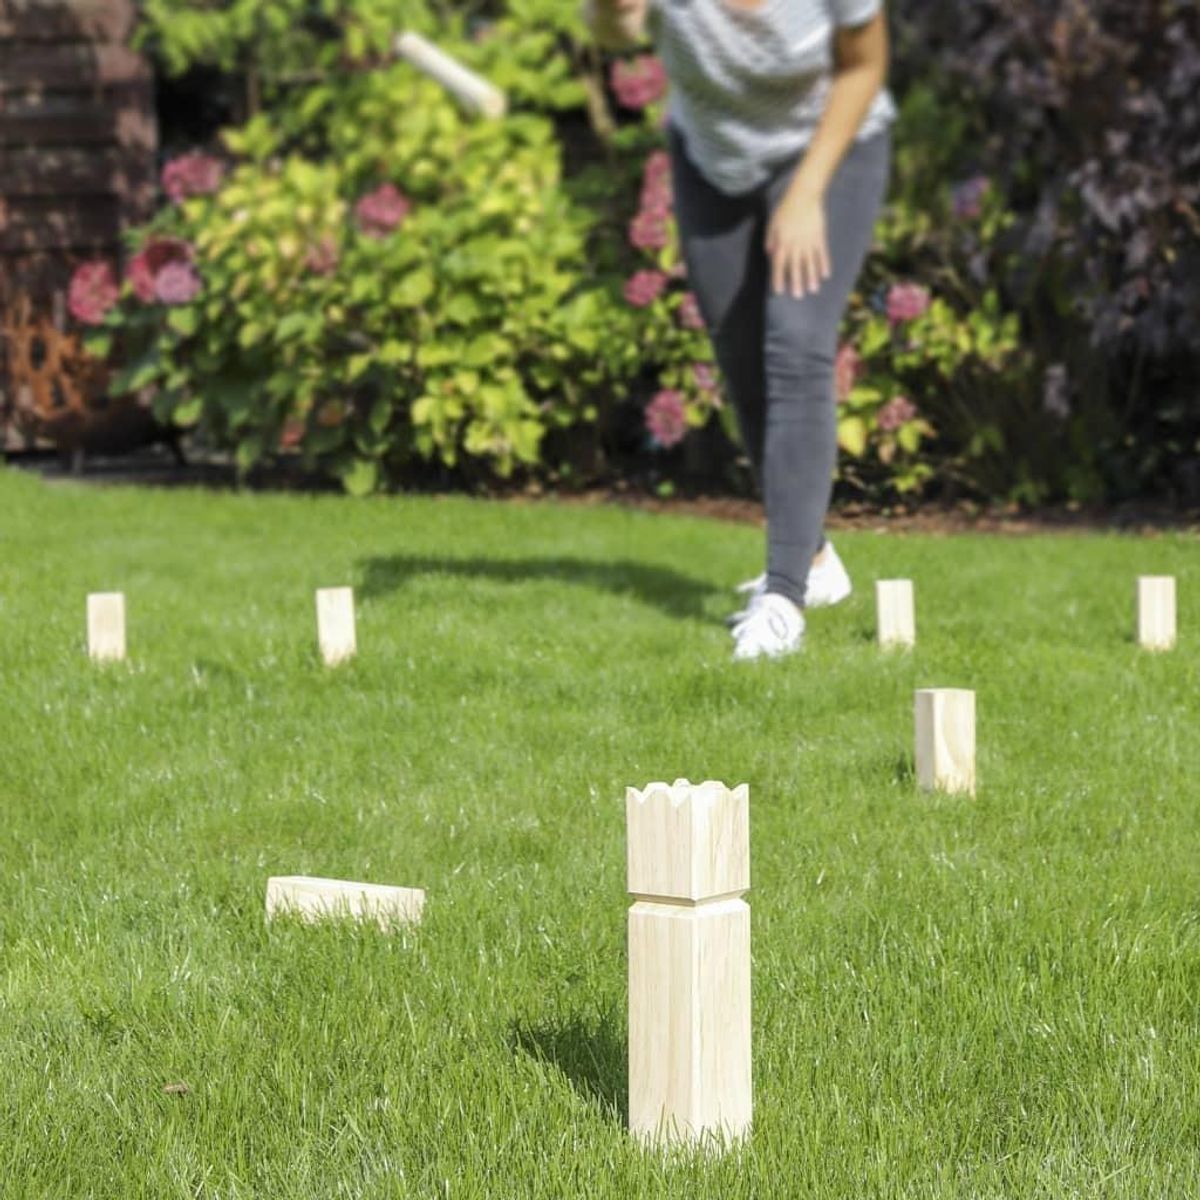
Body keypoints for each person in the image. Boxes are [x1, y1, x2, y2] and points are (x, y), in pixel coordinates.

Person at [585, 0, 894, 660]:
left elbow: (865, 64)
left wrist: (807, 194)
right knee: (743, 359)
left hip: (830, 153)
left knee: (797, 343)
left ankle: (783, 599)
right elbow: (616, 32)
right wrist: (612, 11)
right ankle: (814, 563)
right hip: (713, 161)